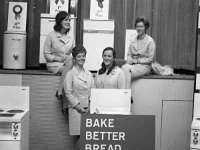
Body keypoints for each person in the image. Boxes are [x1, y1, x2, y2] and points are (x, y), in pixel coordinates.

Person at [43, 11, 75, 114]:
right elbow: (46, 54)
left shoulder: (71, 37)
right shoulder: (51, 35)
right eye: (66, 20)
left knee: (71, 67)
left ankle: (62, 95)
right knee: (70, 73)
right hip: (54, 65)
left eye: (69, 20)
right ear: (59, 21)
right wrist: (59, 59)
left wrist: (68, 58)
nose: (68, 22)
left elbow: (72, 53)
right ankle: (61, 92)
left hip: (67, 64)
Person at [63, 45, 94, 150]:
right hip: (77, 110)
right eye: (79, 56)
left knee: (88, 137)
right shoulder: (70, 74)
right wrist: (78, 107)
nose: (82, 58)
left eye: (84, 56)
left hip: (88, 109)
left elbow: (93, 91)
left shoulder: (89, 74)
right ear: (74, 58)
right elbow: (68, 93)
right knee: (79, 137)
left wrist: (90, 105)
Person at [122, 16, 156, 89]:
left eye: (141, 26)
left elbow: (150, 59)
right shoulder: (133, 41)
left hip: (145, 67)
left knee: (126, 69)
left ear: (145, 28)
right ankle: (126, 94)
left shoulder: (150, 41)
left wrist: (137, 61)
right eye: (137, 26)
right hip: (133, 66)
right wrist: (129, 60)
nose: (139, 28)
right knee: (123, 69)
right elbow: (129, 55)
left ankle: (126, 94)